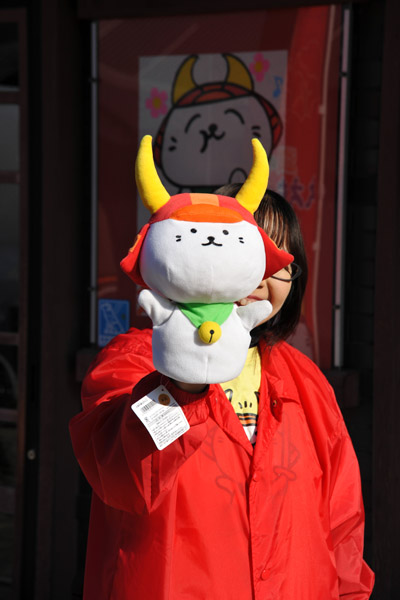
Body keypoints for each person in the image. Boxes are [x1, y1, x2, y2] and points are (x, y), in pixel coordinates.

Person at [69, 187, 374, 600]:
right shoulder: (136, 360)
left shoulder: (306, 380)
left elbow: (342, 525)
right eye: (250, 253)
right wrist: (183, 379)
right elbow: (123, 469)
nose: (260, 276)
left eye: (279, 262)